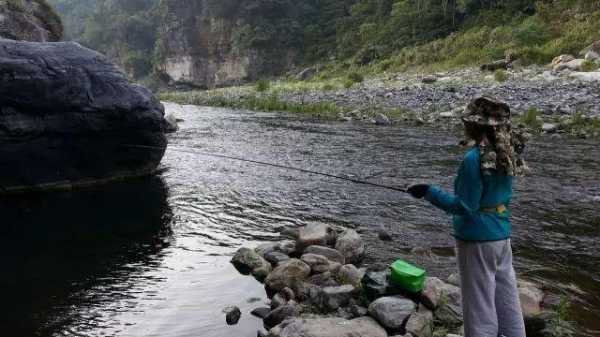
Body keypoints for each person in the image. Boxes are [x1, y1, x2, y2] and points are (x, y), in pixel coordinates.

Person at [407, 96, 529, 337]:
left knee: (479, 308)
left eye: (467, 121)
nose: (464, 125)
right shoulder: (507, 152)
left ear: (475, 125)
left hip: (476, 240)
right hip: (501, 236)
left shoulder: (473, 159)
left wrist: (427, 192)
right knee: (507, 301)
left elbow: (465, 206)